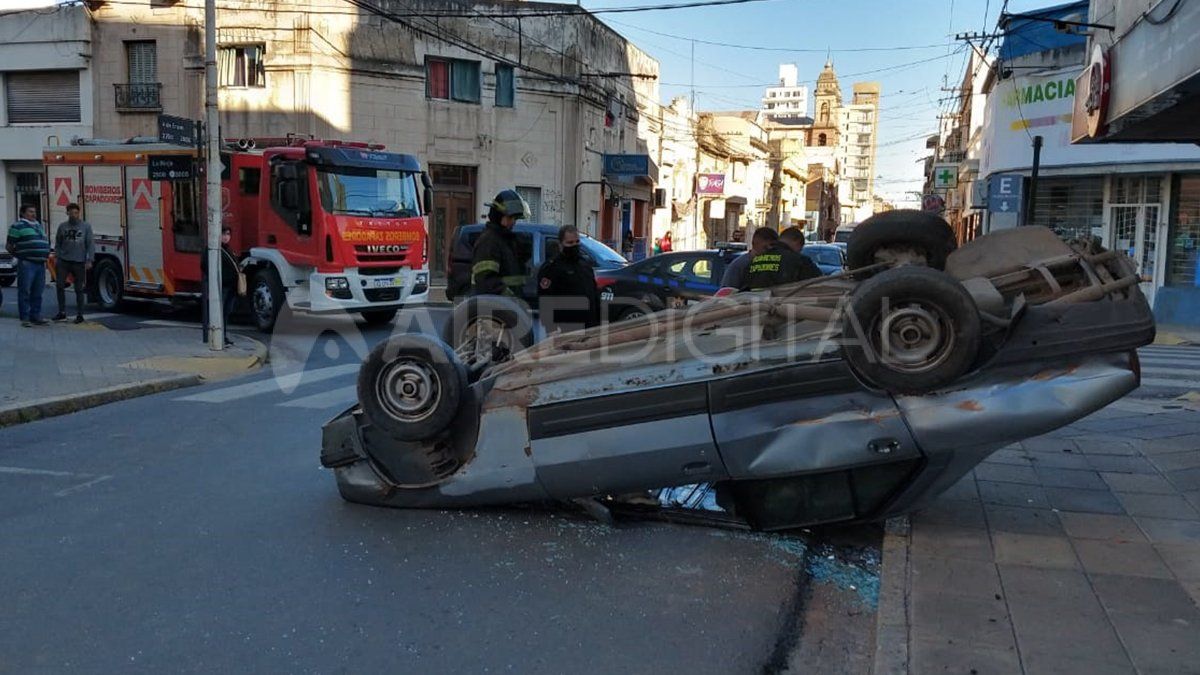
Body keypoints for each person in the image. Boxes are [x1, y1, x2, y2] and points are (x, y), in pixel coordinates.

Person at [537, 225, 600, 333]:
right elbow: (545, 300)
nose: (574, 245)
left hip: (589, 326)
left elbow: (594, 294)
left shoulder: (584, 264)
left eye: (577, 242)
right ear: (561, 244)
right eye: (570, 243)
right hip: (565, 328)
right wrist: (550, 329)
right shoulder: (552, 267)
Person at [471, 189, 529, 297]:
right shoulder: (488, 241)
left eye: (515, 218)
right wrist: (509, 297)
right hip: (495, 307)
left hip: (505, 306)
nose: (513, 222)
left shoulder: (504, 240)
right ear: (498, 216)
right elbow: (486, 281)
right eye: (510, 217)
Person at [6, 205, 51, 327]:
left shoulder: (38, 225)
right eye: (30, 212)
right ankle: (25, 318)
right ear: (23, 213)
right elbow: (9, 245)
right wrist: (21, 256)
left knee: (38, 291)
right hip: (27, 263)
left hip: (40, 264)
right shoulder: (17, 226)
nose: (34, 214)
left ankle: (35, 316)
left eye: (34, 211)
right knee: (25, 290)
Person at [742, 226, 821, 291]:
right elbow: (820, 283)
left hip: (756, 307)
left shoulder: (755, 260)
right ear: (796, 241)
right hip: (787, 307)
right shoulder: (799, 261)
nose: (799, 251)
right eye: (800, 248)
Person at [52, 203, 94, 324]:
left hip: (79, 261)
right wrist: (57, 256)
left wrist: (90, 259)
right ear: (67, 213)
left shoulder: (86, 226)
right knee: (60, 285)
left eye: (76, 213)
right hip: (64, 261)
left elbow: (90, 243)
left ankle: (80, 314)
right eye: (71, 213)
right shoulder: (62, 226)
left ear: (79, 213)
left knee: (79, 288)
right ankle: (62, 312)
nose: (74, 215)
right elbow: (58, 242)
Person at [201, 226, 240, 345]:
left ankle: (223, 335)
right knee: (219, 311)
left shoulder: (228, 249)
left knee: (226, 312)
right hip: (222, 286)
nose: (226, 237)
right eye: (223, 234)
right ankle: (216, 335)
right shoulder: (212, 249)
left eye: (228, 234)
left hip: (231, 287)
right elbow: (204, 266)